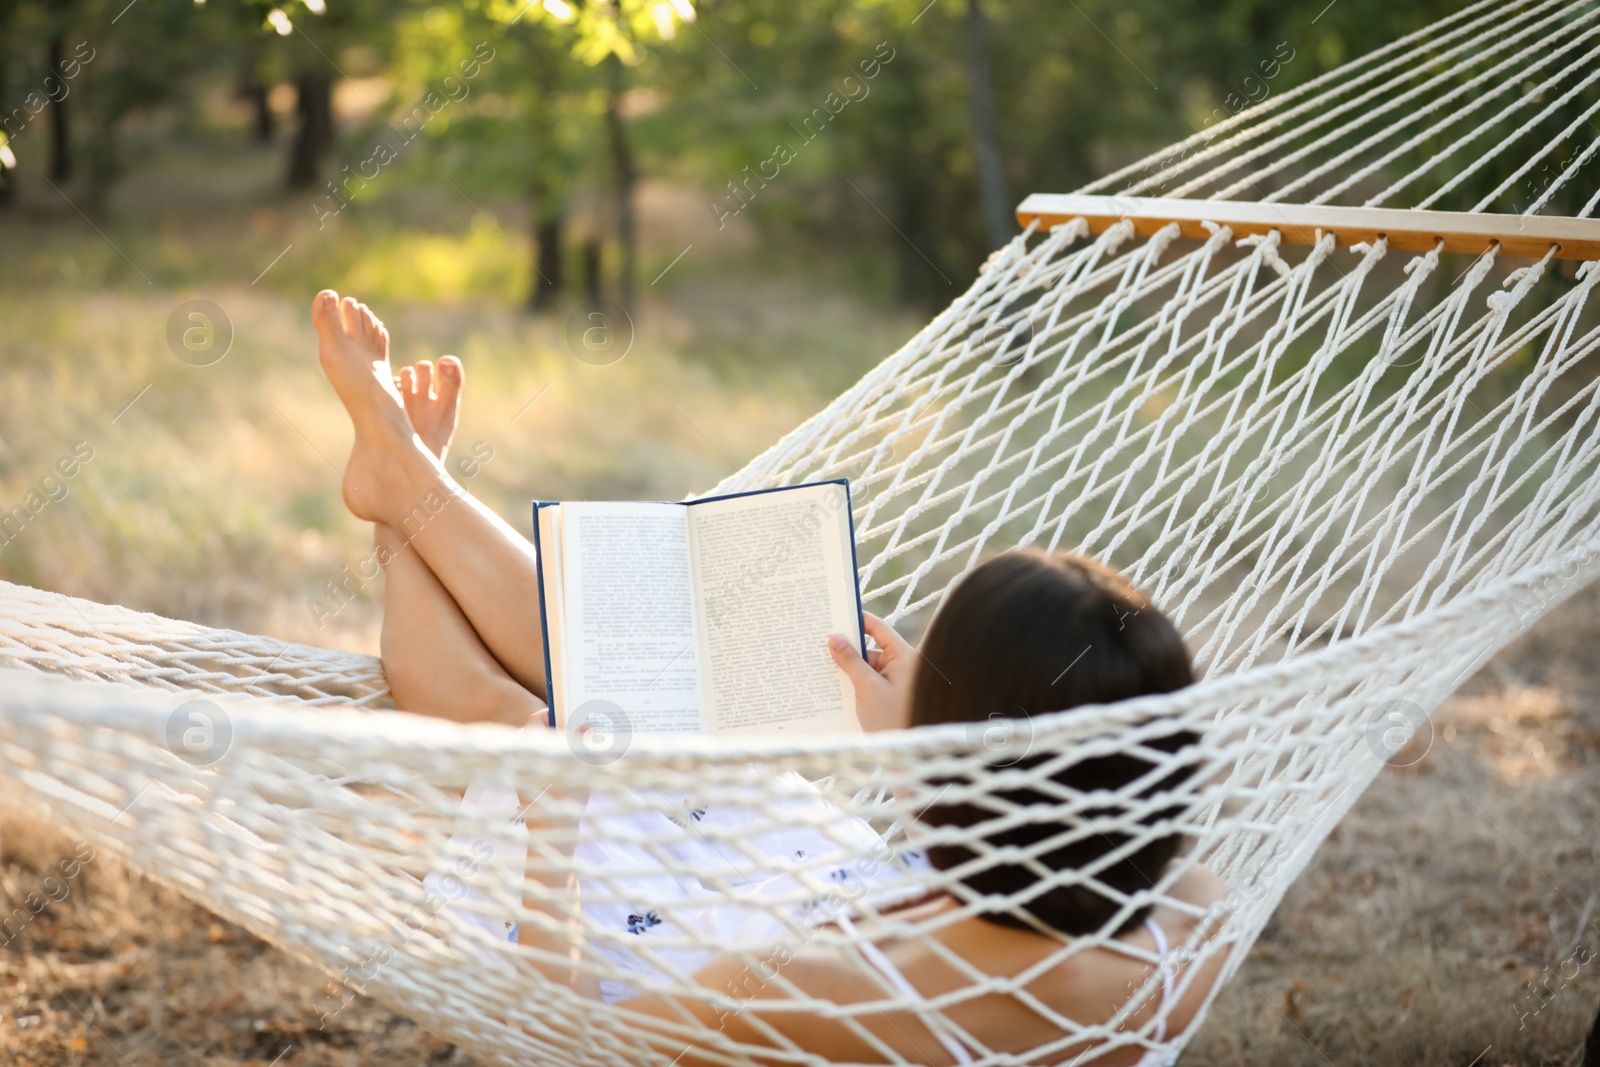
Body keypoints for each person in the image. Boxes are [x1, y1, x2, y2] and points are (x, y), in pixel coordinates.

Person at [312, 289, 1227, 1065]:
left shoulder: (828, 986)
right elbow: (1126, 823)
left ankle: (401, 497)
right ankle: (404, 482)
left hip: (682, 932)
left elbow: (576, 1043)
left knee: (517, 726)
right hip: (824, 871)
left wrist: (552, 839)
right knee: (618, 690)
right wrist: (928, 744)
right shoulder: (1168, 947)